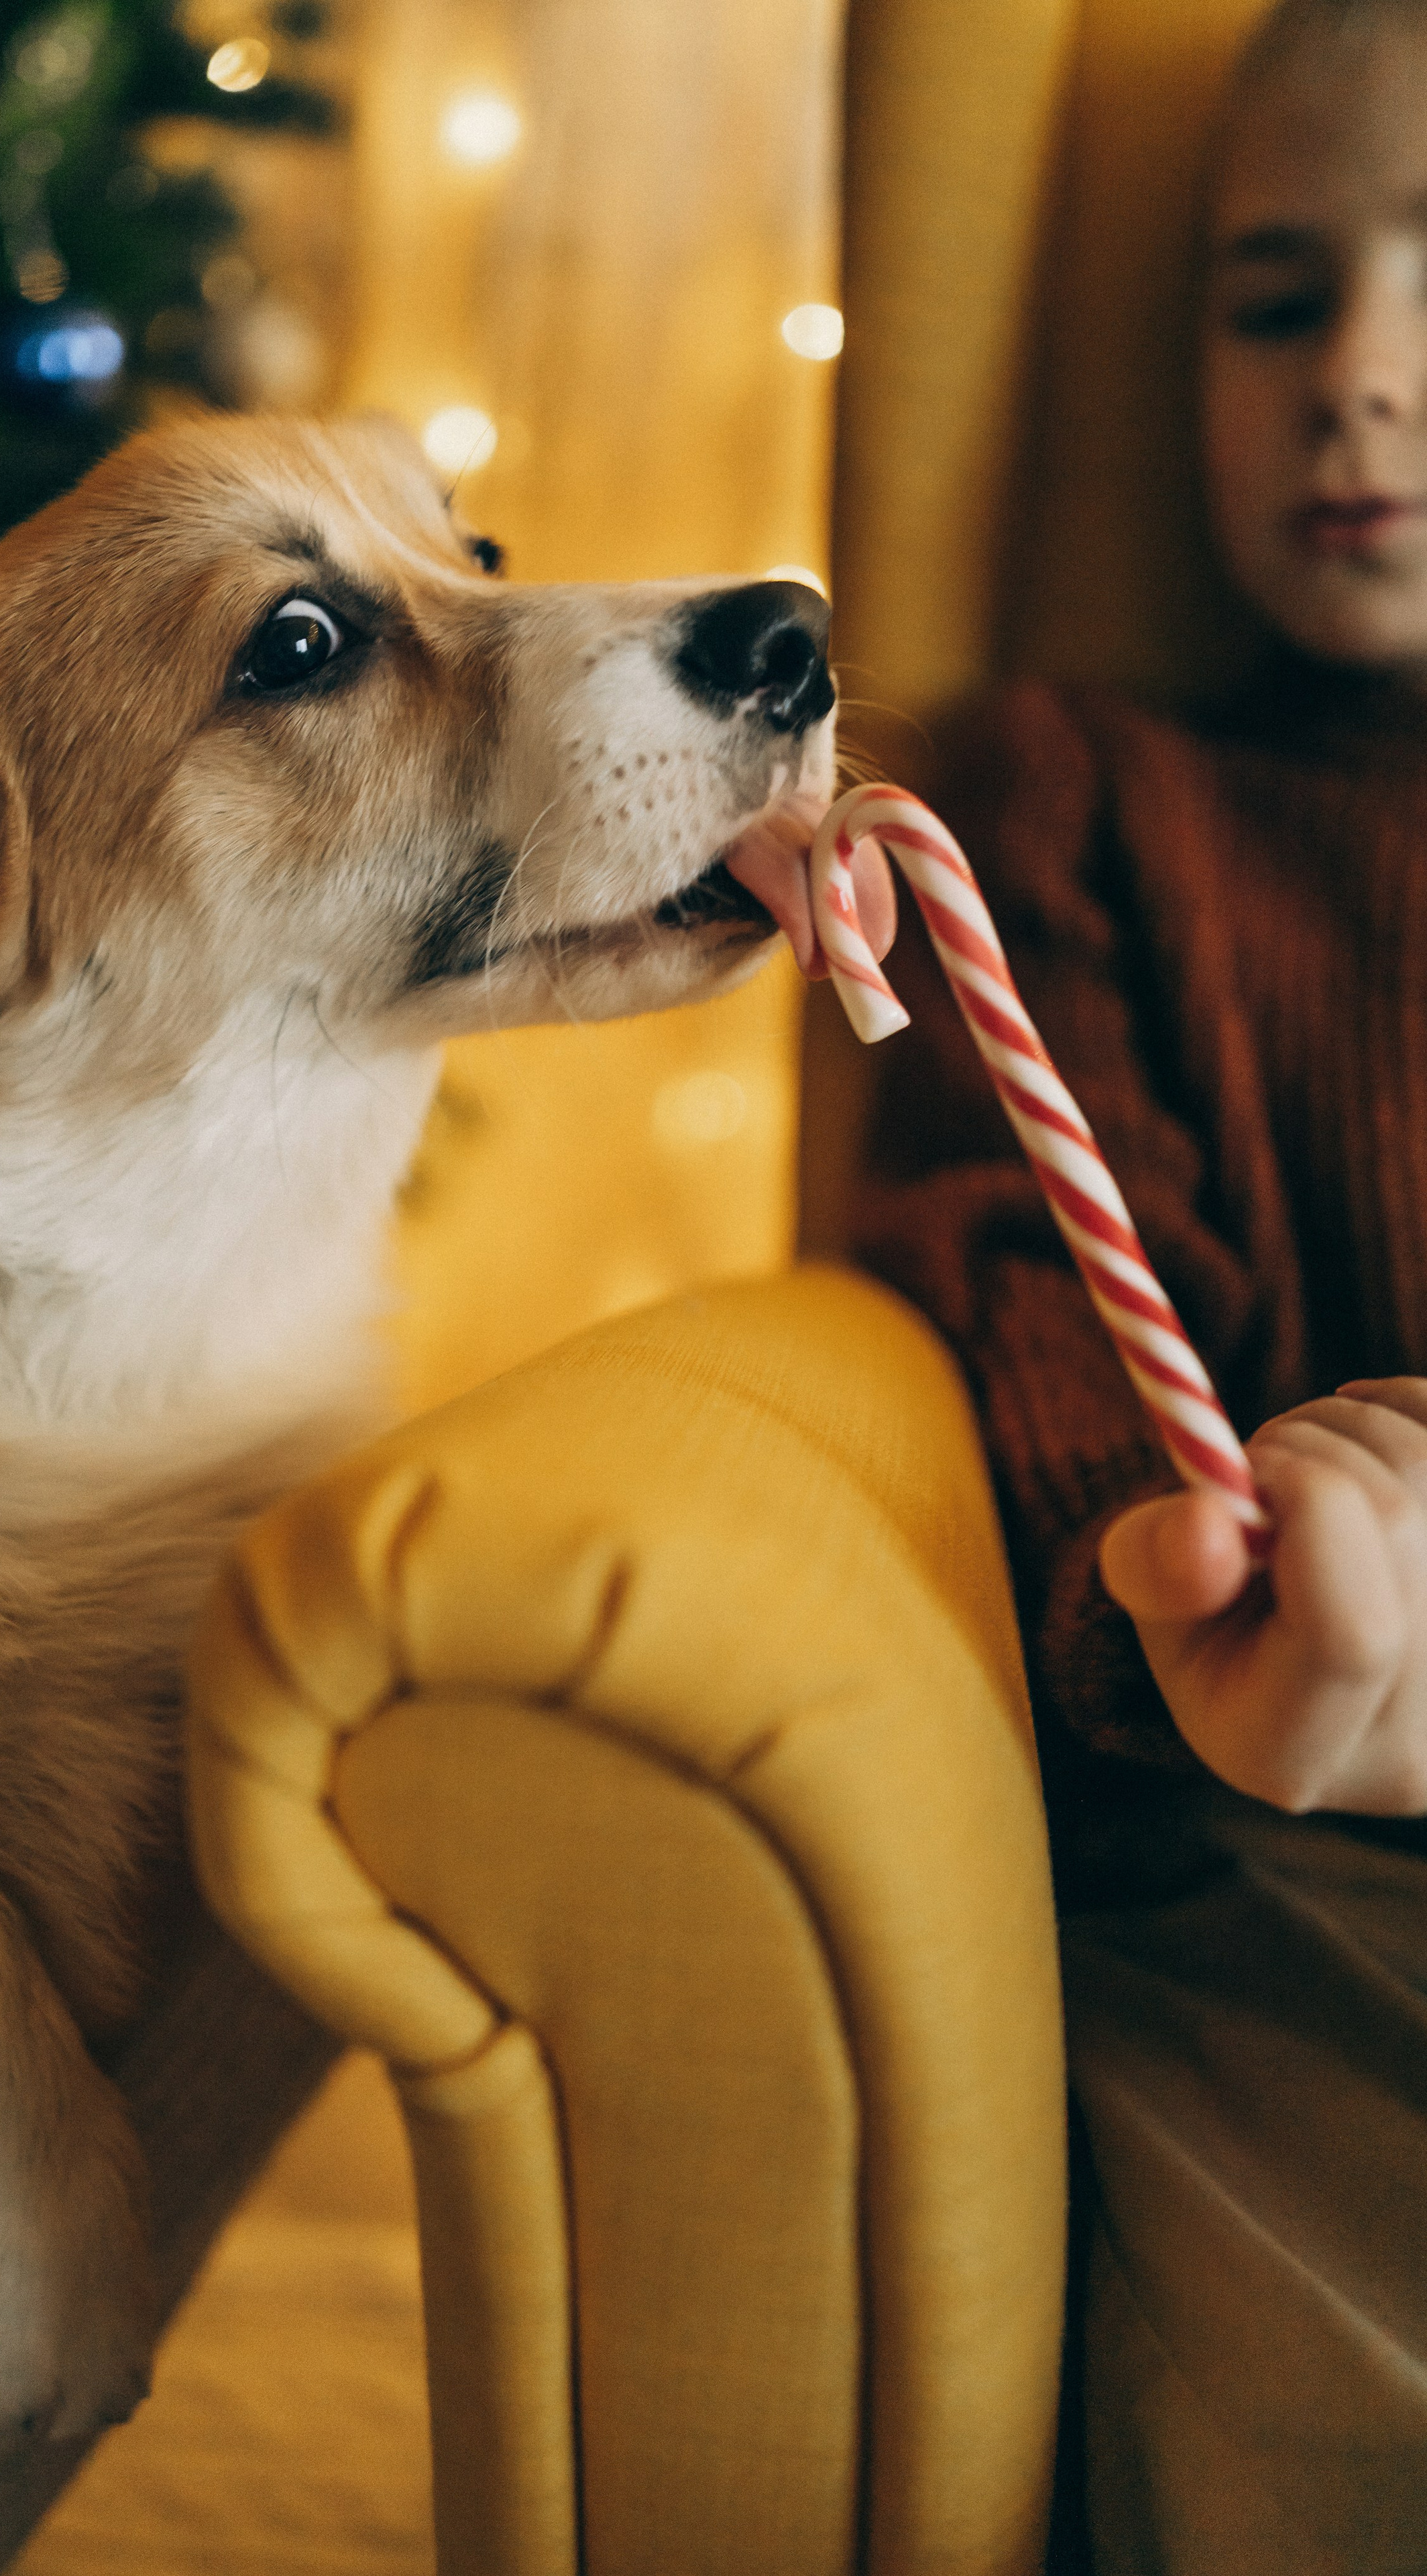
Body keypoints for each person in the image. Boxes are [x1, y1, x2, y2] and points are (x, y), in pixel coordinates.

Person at [842, 2, 1427, 2567]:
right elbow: (1032, 1273)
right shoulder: (1068, 799)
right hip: (1294, 1873)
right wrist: (1210, 1577)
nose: (1361, 381)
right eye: (1274, 297)